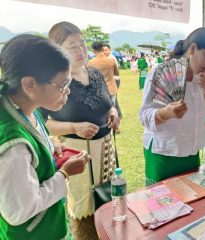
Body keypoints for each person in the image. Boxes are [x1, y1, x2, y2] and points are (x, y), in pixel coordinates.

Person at [0, 34, 89, 239]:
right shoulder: (13, 146)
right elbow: (19, 211)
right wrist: (65, 174)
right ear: (29, 84)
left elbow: (33, 142)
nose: (67, 92)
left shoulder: (24, 106)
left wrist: (49, 142)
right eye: (62, 85)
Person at [43, 22, 120, 240]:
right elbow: (42, 121)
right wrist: (74, 127)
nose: (80, 51)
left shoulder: (95, 74)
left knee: (108, 204)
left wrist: (113, 113)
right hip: (77, 158)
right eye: (72, 46)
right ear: (57, 51)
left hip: (105, 155)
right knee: (83, 213)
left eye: (82, 44)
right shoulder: (53, 81)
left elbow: (109, 104)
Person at [139, 27, 205, 185]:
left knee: (190, 203)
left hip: (191, 153)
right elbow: (144, 115)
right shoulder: (160, 72)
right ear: (193, 49)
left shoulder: (201, 79)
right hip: (164, 153)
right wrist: (165, 113)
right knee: (163, 205)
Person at [90, 42, 122, 123]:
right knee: (113, 108)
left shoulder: (90, 63)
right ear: (102, 49)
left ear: (93, 51)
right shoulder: (111, 61)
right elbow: (116, 73)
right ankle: (115, 126)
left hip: (98, 91)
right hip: (111, 89)